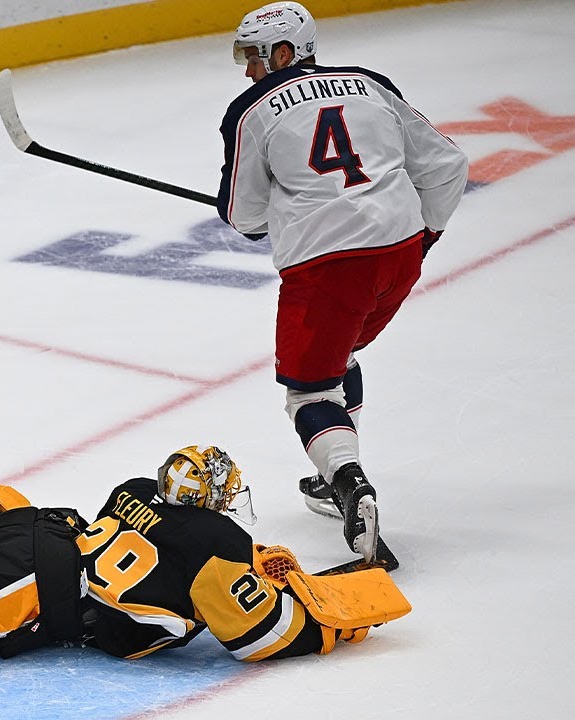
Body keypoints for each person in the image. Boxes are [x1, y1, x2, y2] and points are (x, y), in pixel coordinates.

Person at [216, 2, 469, 562]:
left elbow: (245, 218)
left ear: (284, 52)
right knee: (342, 354)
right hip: (400, 256)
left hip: (328, 270)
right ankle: (336, 482)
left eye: (253, 56)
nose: (248, 70)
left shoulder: (251, 109)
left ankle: (350, 482)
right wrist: (425, 236)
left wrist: (282, 205)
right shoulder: (370, 84)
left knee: (309, 391)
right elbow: (448, 166)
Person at [0, 448, 410, 664]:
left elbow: (158, 542)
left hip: (30, 530)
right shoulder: (219, 543)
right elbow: (260, 636)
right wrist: (331, 627)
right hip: (28, 593)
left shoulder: (133, 486)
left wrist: (250, 562)